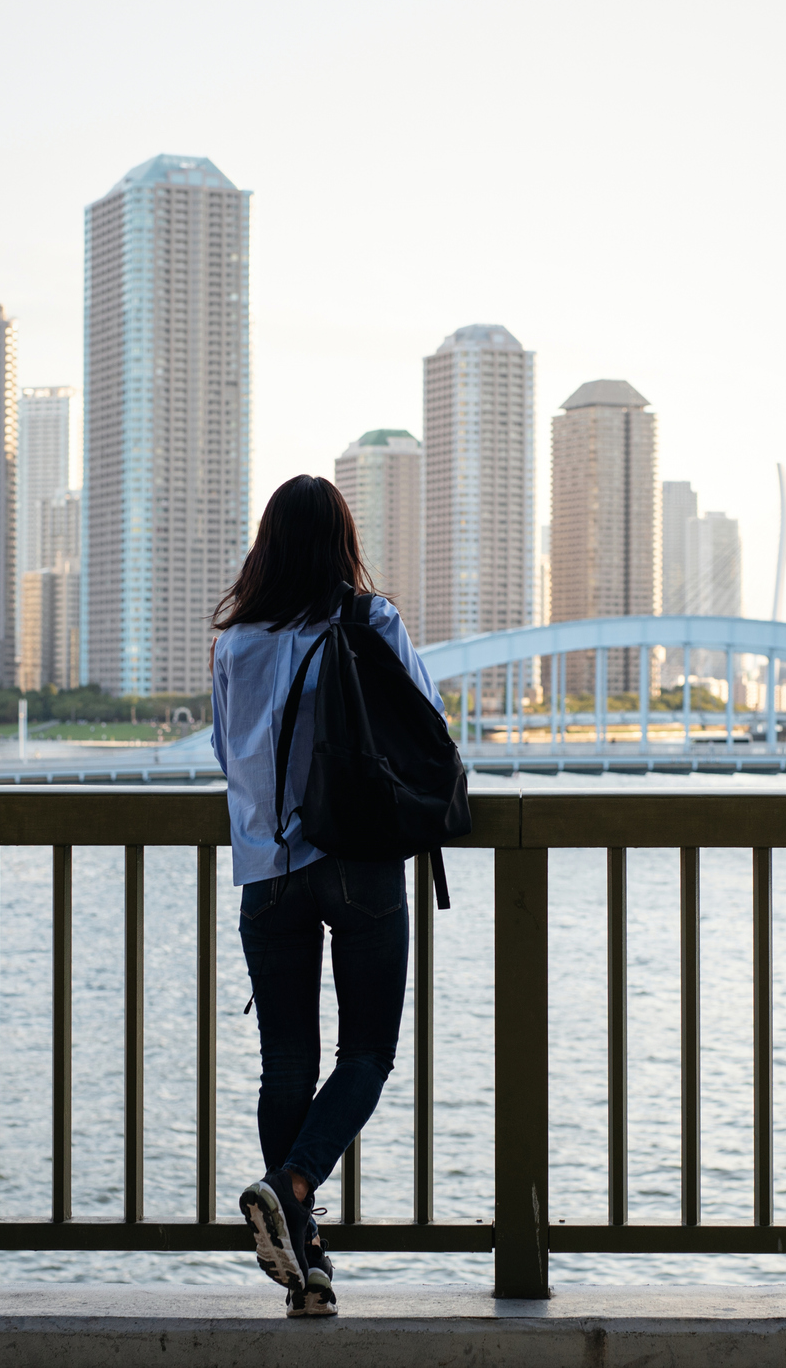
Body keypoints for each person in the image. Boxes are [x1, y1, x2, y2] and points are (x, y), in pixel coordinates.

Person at [210, 474, 442, 1319]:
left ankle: (305, 1262)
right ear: (342, 539)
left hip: (265, 874)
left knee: (286, 1062)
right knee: (368, 1053)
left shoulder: (234, 642)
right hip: (358, 861)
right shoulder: (368, 620)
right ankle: (291, 1185)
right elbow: (427, 722)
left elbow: (222, 750)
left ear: (267, 544)